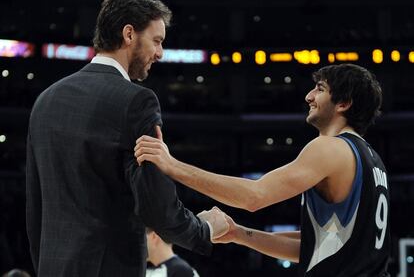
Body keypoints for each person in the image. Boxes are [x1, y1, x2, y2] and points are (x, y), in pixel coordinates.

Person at [26, 0, 228, 277]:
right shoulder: (136, 101)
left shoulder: (45, 100)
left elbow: (35, 210)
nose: (159, 53)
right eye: (156, 41)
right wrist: (204, 230)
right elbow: (155, 204)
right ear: (129, 34)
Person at [135, 63, 391, 276]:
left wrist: (172, 165)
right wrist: (239, 234)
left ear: (343, 103)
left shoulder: (330, 148)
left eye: (320, 89)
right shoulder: (372, 160)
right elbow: (314, 245)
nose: (309, 96)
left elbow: (253, 197)